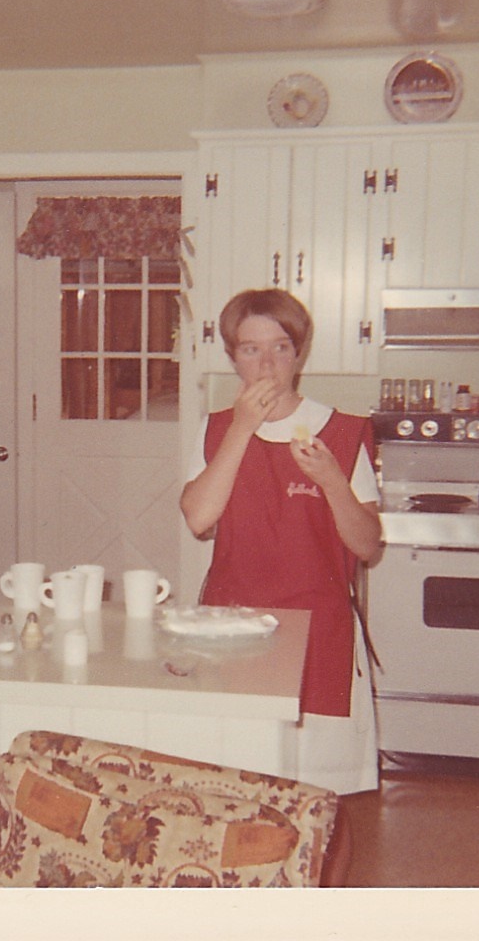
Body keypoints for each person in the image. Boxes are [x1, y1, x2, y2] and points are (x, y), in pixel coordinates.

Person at [180, 288, 382, 795]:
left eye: (280, 348)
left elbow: (367, 545)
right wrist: (243, 427)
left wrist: (332, 480)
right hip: (232, 628)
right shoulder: (217, 429)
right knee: (233, 785)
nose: (267, 364)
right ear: (233, 357)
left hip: (318, 631)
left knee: (314, 793)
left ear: (299, 353)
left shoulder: (342, 431)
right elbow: (199, 518)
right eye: (251, 349)